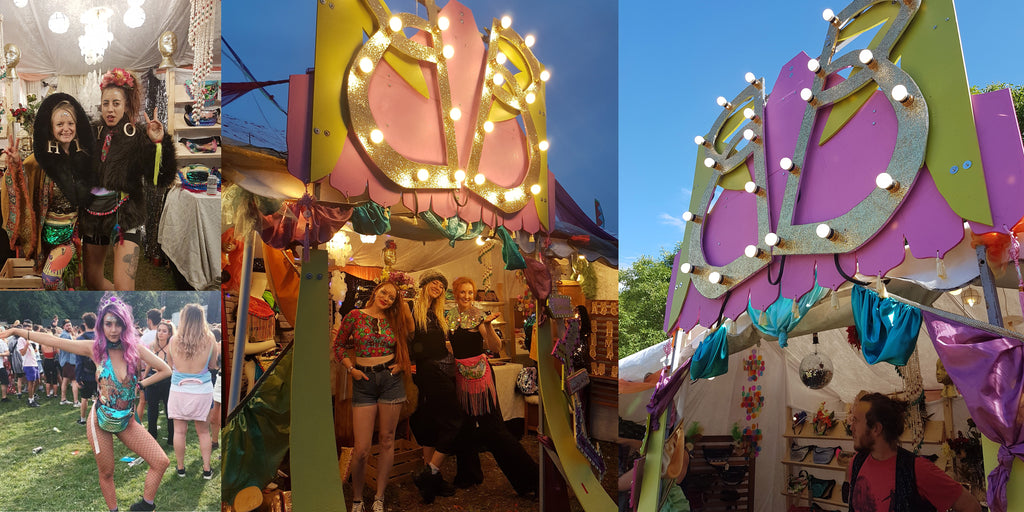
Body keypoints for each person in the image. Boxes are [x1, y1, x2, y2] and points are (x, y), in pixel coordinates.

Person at [0, 295, 172, 511]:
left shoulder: (134, 349)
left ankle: (145, 506)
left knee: (161, 461)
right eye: (108, 323)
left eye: (118, 323)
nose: (113, 329)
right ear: (101, 325)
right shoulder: (95, 348)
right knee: (107, 472)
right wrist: (17, 331)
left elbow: (166, 370)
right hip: (100, 419)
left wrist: (140, 385)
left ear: (125, 325)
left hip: (126, 420)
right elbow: (56, 342)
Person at [81, 68, 175, 291]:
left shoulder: (139, 134)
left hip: (126, 215)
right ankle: (116, 307)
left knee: (124, 288)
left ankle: (123, 315)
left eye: (116, 103)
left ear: (126, 105)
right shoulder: (91, 133)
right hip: (94, 216)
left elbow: (160, 178)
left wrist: (158, 144)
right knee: (92, 281)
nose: (110, 109)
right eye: (106, 103)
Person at [447, 276, 538, 497]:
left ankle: (531, 481)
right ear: (455, 294)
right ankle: (468, 476)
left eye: (470, 292)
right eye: (463, 292)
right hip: (461, 377)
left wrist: (488, 326)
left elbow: (495, 346)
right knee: (465, 428)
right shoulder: (450, 317)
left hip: (481, 380)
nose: (467, 296)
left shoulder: (479, 316)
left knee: (494, 430)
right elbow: (452, 344)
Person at [333, 281, 413, 512]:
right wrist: (351, 369)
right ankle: (357, 498)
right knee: (361, 448)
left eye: (391, 297)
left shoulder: (395, 320)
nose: (386, 298)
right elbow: (338, 346)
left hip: (391, 381)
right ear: (376, 291)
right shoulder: (355, 316)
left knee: (387, 440)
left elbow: (410, 339)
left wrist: (400, 365)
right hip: (363, 381)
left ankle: (379, 496)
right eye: (384, 292)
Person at [847, 392, 981, 512]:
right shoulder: (857, 463)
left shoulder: (917, 469)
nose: (851, 426)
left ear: (876, 429)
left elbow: (970, 506)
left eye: (856, 421)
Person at [28, 93, 97, 290]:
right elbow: (22, 184)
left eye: (70, 123)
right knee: (63, 282)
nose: (66, 129)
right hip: (45, 236)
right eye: (60, 124)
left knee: (50, 280)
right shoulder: (41, 160)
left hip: (68, 236)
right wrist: (15, 164)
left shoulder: (84, 158)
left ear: (77, 126)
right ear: (51, 128)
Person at [408, 271, 465, 503]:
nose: (438, 287)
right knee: (455, 420)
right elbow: (408, 339)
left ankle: (432, 480)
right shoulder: (413, 309)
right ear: (423, 285)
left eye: (442, 285)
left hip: (440, 370)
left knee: (432, 422)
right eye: (434, 282)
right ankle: (429, 472)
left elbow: (439, 343)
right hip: (429, 372)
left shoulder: (437, 313)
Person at [167, 305, 218, 480]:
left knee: (179, 431)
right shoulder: (210, 339)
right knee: (203, 432)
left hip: (179, 390)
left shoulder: (173, 340)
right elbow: (212, 365)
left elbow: (171, 363)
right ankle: (206, 469)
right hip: (202, 390)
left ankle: (180, 468)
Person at [143, 320, 174, 446]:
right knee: (152, 409)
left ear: (169, 333)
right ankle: (152, 436)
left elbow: (172, 367)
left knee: (169, 410)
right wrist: (144, 379)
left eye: (164, 331)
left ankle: (172, 438)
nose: (160, 333)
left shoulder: (172, 347)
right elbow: (149, 363)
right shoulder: (152, 345)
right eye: (159, 330)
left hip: (167, 380)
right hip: (153, 378)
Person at [76, 312, 98, 425]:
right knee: (100, 398)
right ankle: (100, 420)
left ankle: (83, 419)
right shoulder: (101, 338)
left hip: (86, 374)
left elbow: (79, 361)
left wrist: (77, 377)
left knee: (84, 398)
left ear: (84, 324)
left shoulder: (80, 339)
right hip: (100, 373)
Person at [17, 321, 41, 407]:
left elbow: (33, 351)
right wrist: (27, 344)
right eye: (27, 330)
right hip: (28, 364)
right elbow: (22, 353)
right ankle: (31, 400)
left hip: (34, 363)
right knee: (31, 382)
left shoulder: (31, 339)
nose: (29, 332)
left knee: (38, 381)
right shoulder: (21, 340)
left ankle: (32, 395)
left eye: (30, 330)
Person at [58, 319, 80, 405]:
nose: (69, 327)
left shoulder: (66, 334)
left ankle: (63, 399)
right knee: (74, 381)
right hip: (69, 362)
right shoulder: (65, 335)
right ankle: (76, 401)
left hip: (66, 361)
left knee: (65, 380)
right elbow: (70, 347)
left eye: (70, 325)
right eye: (67, 326)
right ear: (63, 327)